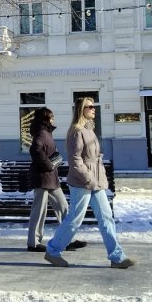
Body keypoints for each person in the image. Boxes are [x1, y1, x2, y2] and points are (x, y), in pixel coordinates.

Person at [43, 97, 135, 269]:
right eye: (90, 106)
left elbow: (92, 156)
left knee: (106, 217)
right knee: (75, 219)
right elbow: (75, 160)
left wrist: (98, 174)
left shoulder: (89, 130)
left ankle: (117, 257)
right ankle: (53, 251)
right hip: (82, 182)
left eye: (94, 106)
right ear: (81, 110)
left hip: (95, 181)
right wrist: (88, 178)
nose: (94, 109)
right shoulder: (77, 132)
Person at [26, 107, 87, 253]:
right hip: (42, 178)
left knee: (63, 207)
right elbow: (35, 150)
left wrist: (53, 160)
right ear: (46, 119)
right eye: (52, 117)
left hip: (50, 178)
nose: (54, 119)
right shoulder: (41, 133)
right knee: (39, 211)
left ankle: (67, 239)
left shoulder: (46, 132)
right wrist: (47, 164)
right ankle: (33, 243)